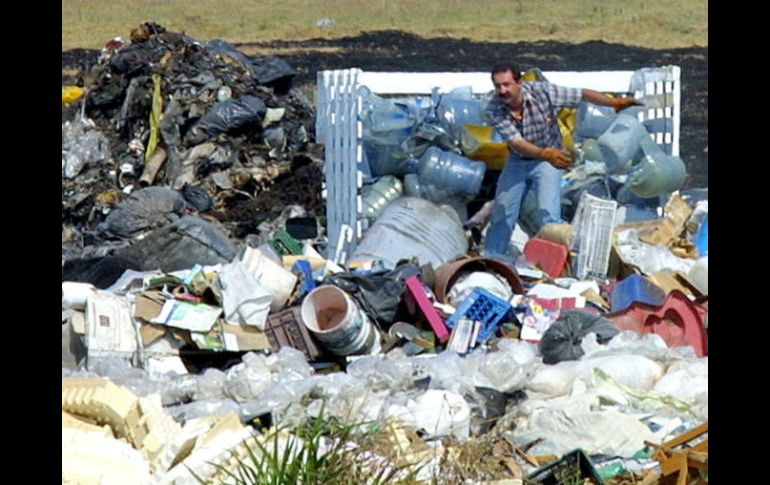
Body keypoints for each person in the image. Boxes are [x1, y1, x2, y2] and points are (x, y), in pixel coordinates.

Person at [483, 63, 641, 257]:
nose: (502, 91)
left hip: (548, 161)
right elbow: (517, 143)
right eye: (498, 86)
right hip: (520, 160)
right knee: (503, 211)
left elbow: (581, 95)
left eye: (506, 85)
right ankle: (492, 258)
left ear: (519, 83)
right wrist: (544, 153)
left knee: (548, 215)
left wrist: (613, 103)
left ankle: (554, 261)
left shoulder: (543, 92)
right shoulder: (494, 109)